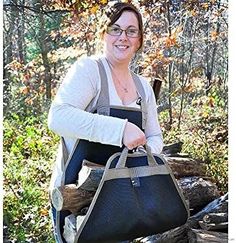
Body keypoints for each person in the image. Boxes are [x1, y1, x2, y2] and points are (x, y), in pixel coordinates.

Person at [48, 2, 163, 242]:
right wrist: (120, 129)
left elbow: (155, 136)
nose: (123, 37)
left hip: (125, 199)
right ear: (104, 34)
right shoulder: (89, 70)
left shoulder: (144, 87)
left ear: (139, 40)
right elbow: (57, 116)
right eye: (115, 29)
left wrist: (144, 153)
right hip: (78, 202)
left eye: (132, 31)